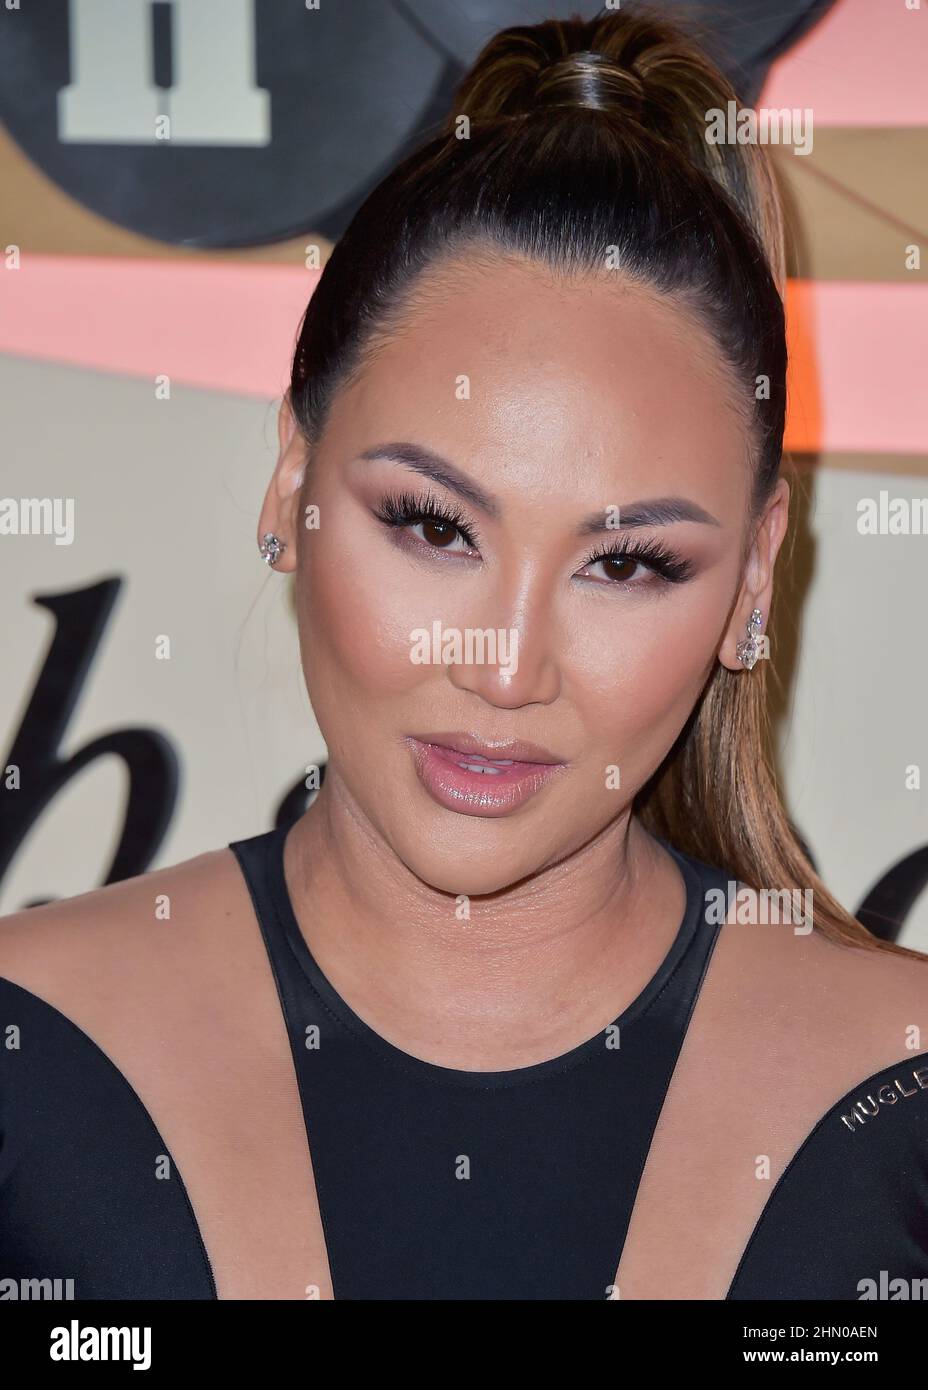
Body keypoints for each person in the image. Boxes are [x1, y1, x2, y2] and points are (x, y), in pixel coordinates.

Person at [1, 6, 926, 1302]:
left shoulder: (901, 1097)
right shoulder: (29, 1047)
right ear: (292, 480)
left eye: (627, 563)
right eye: (434, 526)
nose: (504, 666)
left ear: (755, 574)